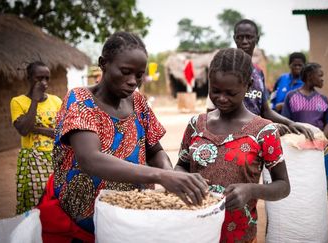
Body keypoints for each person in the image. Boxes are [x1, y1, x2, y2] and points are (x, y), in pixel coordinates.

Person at [39, 32, 208, 242]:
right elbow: (90, 159)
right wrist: (160, 176)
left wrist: (170, 175)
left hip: (130, 216)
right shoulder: (80, 100)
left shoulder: (138, 102)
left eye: (139, 75)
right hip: (82, 221)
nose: (132, 82)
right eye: (125, 72)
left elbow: (154, 149)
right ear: (104, 64)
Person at [176, 48, 290, 243]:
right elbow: (181, 166)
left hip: (239, 234)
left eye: (231, 93)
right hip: (194, 231)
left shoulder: (264, 131)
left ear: (248, 86)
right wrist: (186, 180)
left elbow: (283, 186)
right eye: (215, 90)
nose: (221, 98)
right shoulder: (196, 125)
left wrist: (251, 190)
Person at [206, 19, 313, 139]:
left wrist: (290, 123)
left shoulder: (258, 73)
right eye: (240, 37)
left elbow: (265, 111)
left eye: (249, 37)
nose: (245, 41)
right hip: (229, 136)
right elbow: (211, 112)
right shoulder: (224, 72)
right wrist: (266, 127)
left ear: (257, 39)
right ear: (234, 38)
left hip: (255, 139)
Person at [10, 61, 62, 214]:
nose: (44, 83)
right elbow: (24, 130)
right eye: (39, 78)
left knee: (54, 201)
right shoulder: (18, 102)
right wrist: (35, 100)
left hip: (55, 158)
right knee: (35, 203)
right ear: (29, 78)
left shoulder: (56, 101)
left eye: (47, 78)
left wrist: (36, 129)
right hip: (33, 160)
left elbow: (59, 132)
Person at [281, 63, 328, 187]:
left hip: (319, 147)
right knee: (301, 182)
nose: (322, 79)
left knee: (320, 182)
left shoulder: (323, 99)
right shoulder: (291, 96)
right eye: (320, 75)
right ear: (310, 76)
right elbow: (285, 121)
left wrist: (322, 140)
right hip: (298, 148)